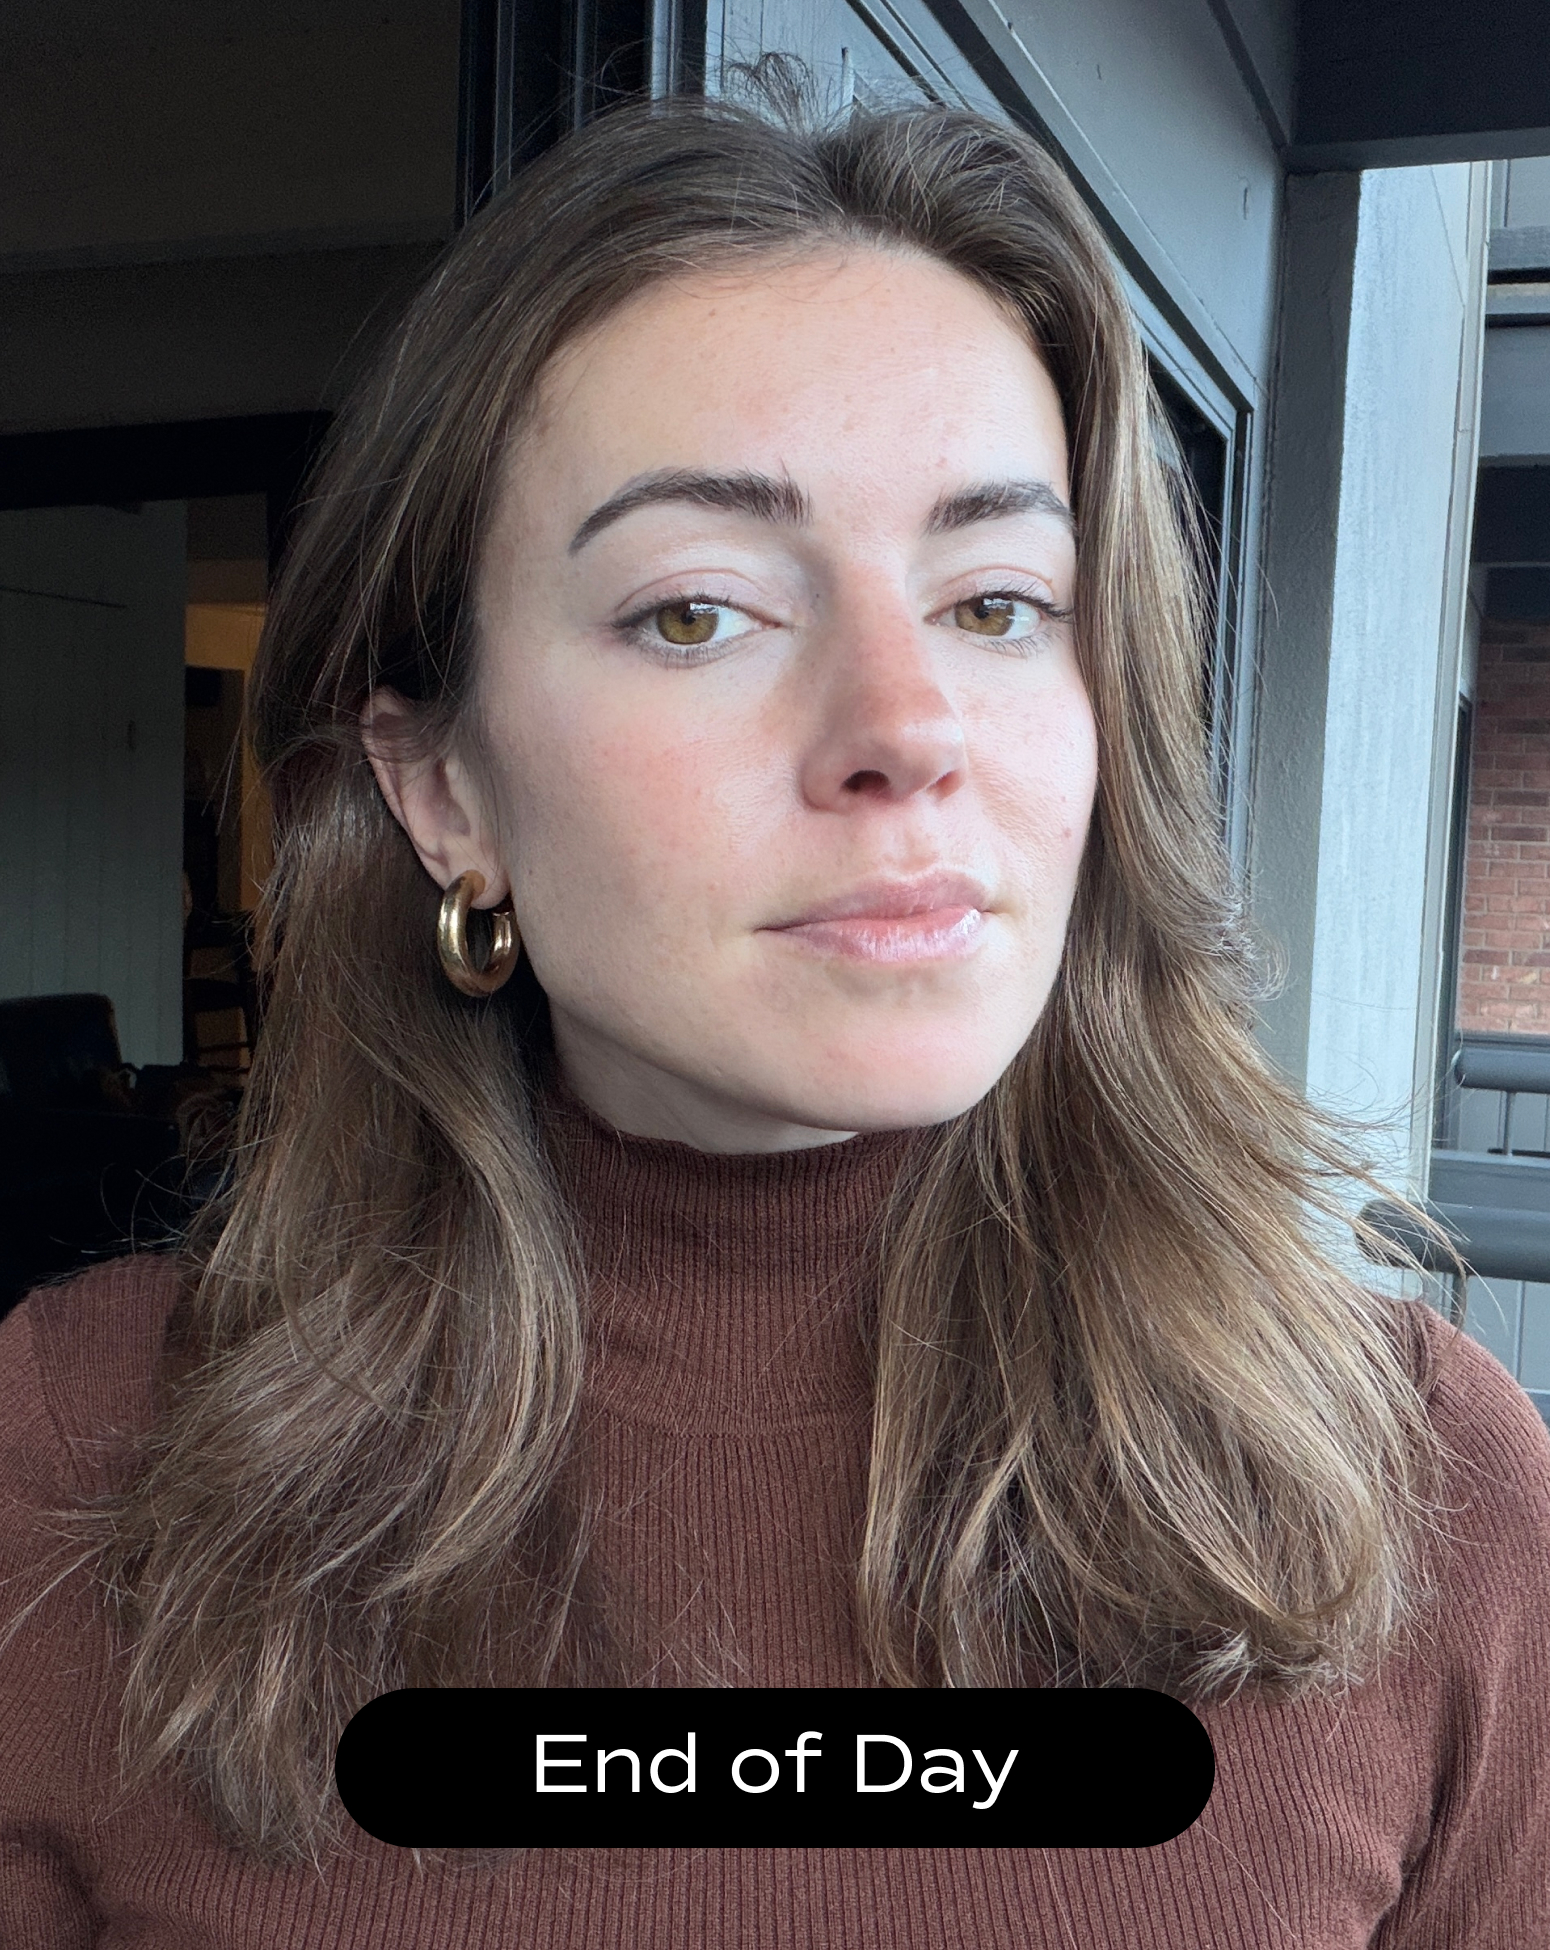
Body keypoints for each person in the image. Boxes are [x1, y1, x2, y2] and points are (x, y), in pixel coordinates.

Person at [2, 79, 1547, 1949]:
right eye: (698, 613)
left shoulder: (1422, 1486)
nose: (906, 727)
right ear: (442, 791)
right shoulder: (74, 1451)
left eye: (994, 600)